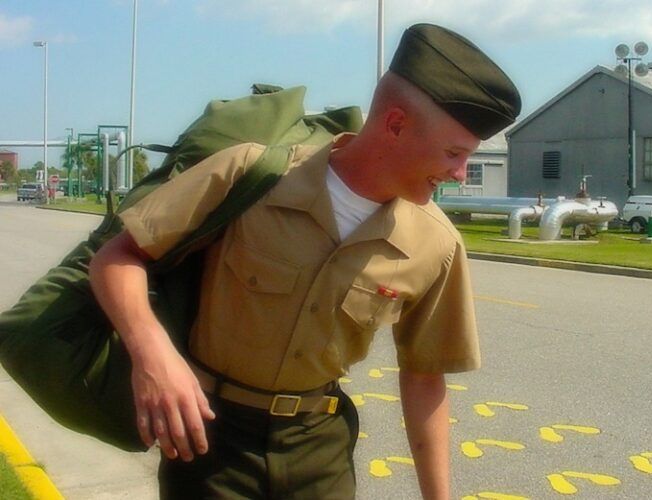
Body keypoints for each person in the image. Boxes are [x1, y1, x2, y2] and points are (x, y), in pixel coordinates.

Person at [90, 23, 521, 500]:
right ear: (395, 124)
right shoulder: (250, 175)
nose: (460, 173)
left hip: (319, 450)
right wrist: (152, 355)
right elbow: (118, 256)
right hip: (210, 441)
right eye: (454, 153)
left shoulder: (437, 244)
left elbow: (424, 376)